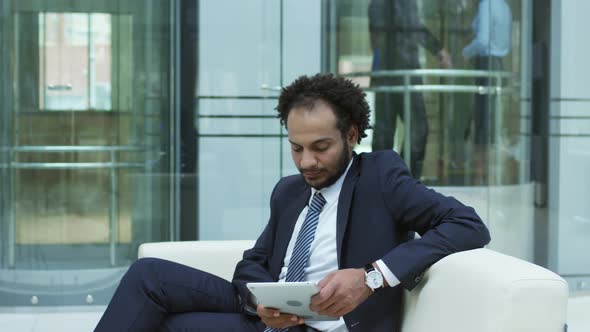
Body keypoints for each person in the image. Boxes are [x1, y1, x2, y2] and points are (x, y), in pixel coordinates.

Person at [95, 73, 490, 332]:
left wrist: (372, 277)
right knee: (148, 277)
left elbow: (468, 224)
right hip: (273, 317)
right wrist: (260, 302)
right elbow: (254, 260)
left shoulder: (381, 177)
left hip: (328, 326)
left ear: (351, 135)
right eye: (296, 148)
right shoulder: (289, 191)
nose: (307, 162)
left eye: (321, 147)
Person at [368, 0, 452, 179]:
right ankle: (401, 180)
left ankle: (384, 180)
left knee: (385, 131)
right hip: (401, 71)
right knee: (415, 129)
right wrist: (438, 50)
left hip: (387, 73)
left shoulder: (377, 4)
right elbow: (412, 27)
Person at [462, 0, 512, 184]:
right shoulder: (505, 7)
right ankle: (490, 176)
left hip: (485, 66)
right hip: (499, 66)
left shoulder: (486, 4)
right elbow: (508, 43)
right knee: (491, 124)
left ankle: (479, 177)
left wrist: (465, 52)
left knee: (481, 125)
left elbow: (482, 41)